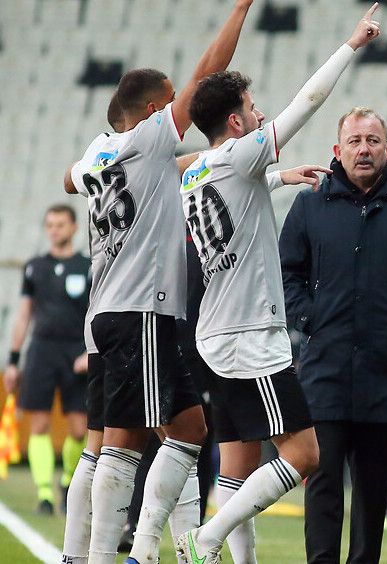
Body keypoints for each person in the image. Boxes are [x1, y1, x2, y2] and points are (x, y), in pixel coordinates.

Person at [172, 6, 384, 563]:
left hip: (215, 332)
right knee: (306, 455)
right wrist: (351, 44)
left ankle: (230, 556)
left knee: (238, 466)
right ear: (235, 122)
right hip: (250, 336)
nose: (259, 112)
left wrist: (277, 176)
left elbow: (232, 188)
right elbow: (307, 102)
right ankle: (207, 537)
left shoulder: (197, 170)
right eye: (250, 106)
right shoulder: (240, 155)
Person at [70, 3, 254, 561]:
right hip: (142, 310)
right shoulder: (152, 137)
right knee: (124, 443)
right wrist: (241, 7)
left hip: (106, 313)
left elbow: (69, 179)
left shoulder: (99, 153)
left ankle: (114, 552)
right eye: (171, 100)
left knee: (181, 429)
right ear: (153, 111)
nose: (180, 108)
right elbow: (207, 74)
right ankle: (115, 555)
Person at [279, 101, 387, 563]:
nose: (363, 149)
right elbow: (287, 271)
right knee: (323, 481)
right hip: (326, 367)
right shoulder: (310, 204)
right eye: (354, 141)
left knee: (374, 490)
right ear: (338, 150)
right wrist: (308, 318)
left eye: (372, 141)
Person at [3, 205, 90, 515]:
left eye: (60, 224)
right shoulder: (34, 267)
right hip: (41, 350)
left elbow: (96, 313)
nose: (54, 230)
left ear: (74, 227)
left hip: (77, 352)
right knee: (38, 423)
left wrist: (91, 351)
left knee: (79, 429)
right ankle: (44, 494)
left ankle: (67, 480)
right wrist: (13, 360)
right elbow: (23, 314)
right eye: (50, 224)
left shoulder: (87, 266)